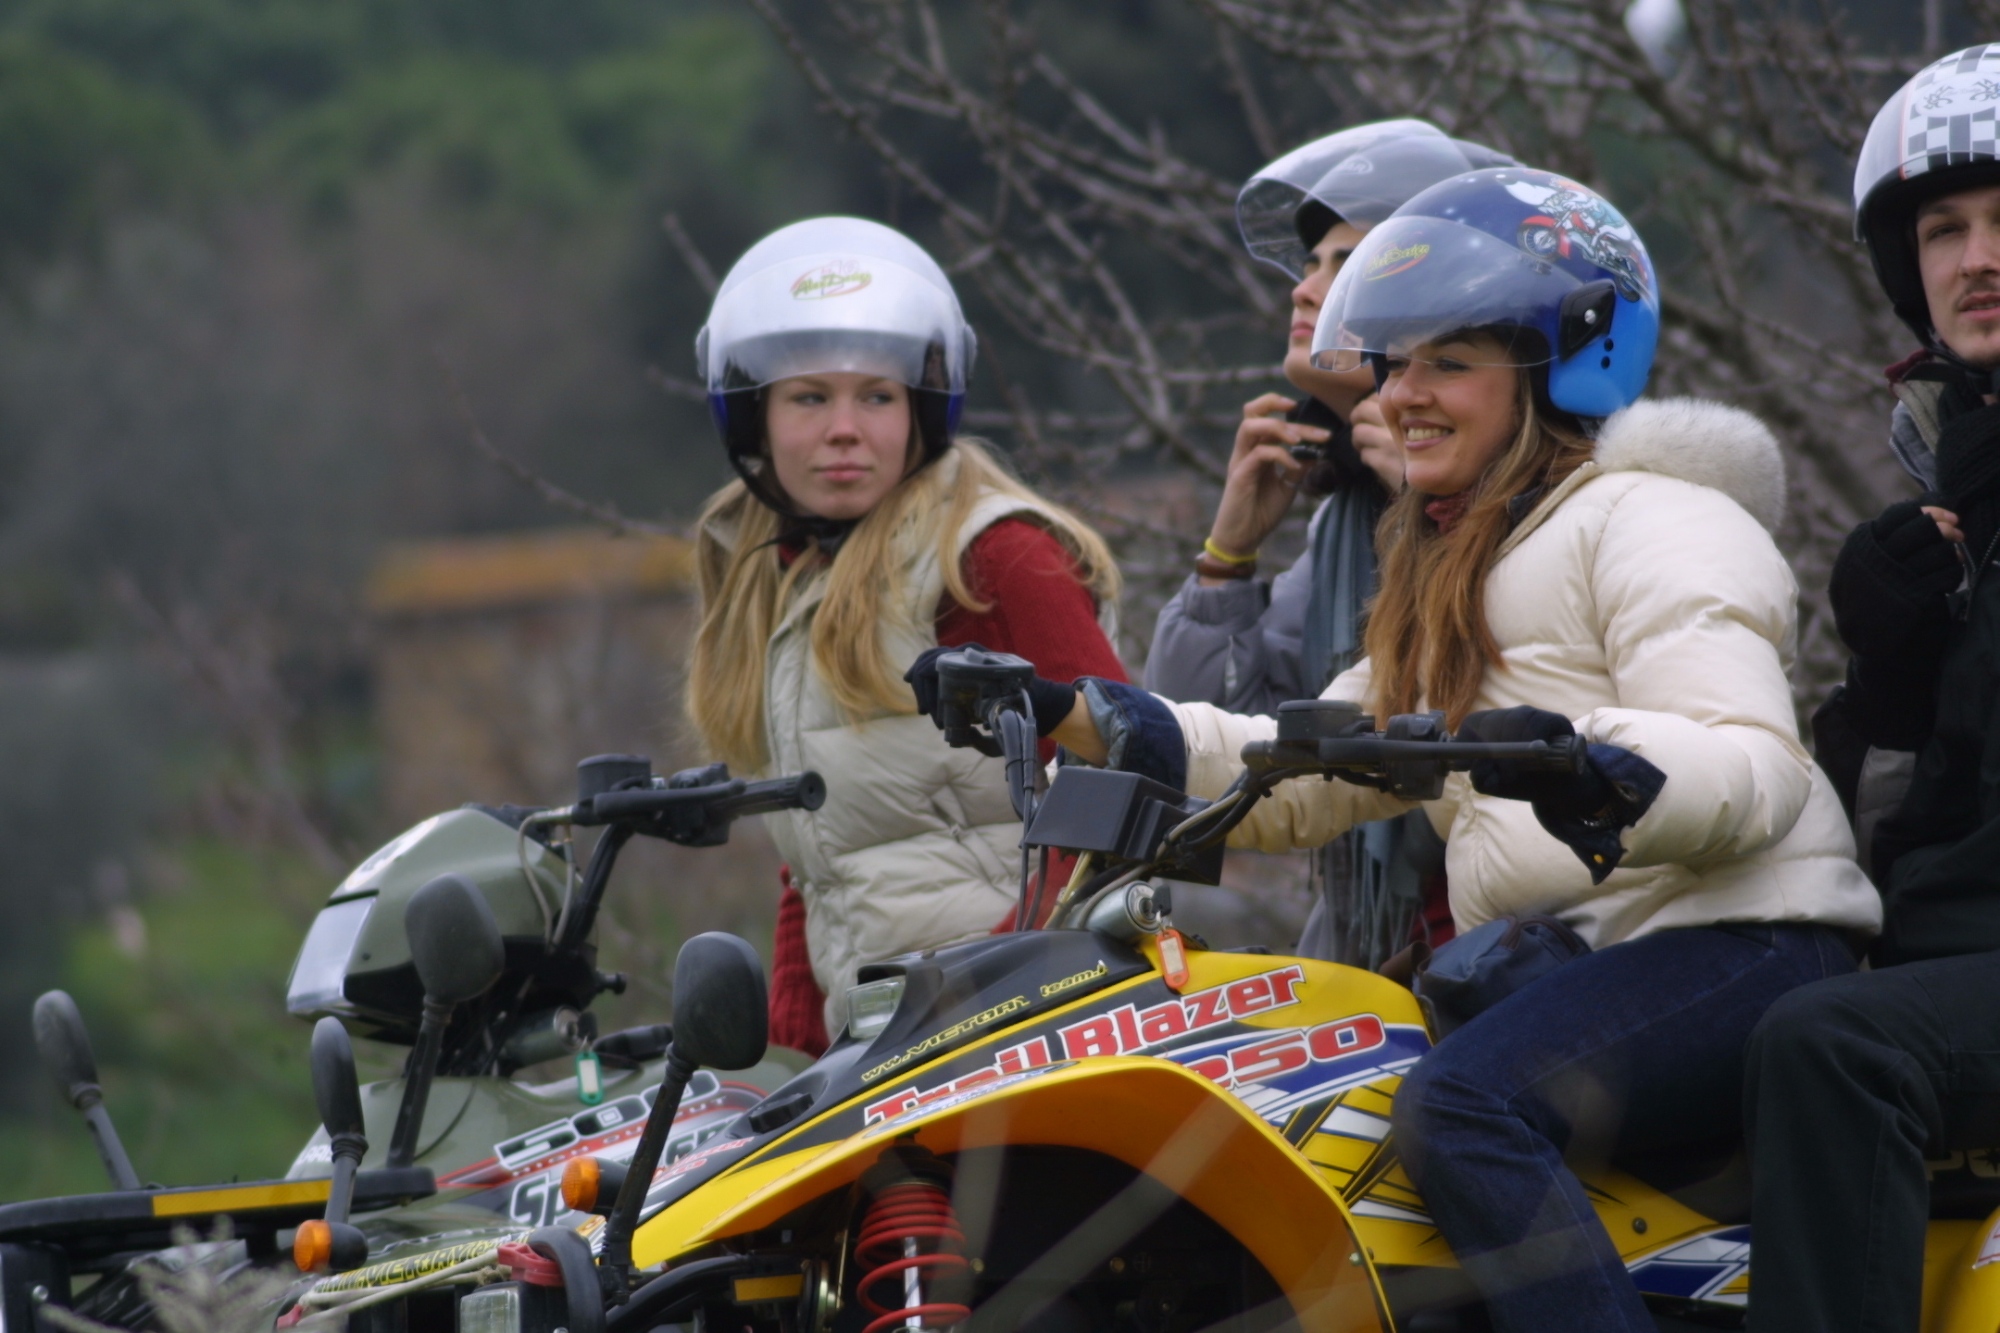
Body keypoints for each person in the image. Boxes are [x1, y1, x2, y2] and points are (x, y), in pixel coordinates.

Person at [914, 167, 1878, 1332]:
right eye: (1394, 363)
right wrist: (1074, 707)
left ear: (1565, 364)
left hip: (1741, 945)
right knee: (1339, 1122)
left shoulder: (1655, 517)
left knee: (1456, 1109)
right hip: (1587, 959)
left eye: (1448, 364)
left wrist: (1592, 761)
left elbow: (1751, 766)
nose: (1403, 393)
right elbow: (1300, 763)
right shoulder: (1446, 570)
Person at [685, 216, 1126, 1052]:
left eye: (878, 396)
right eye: (810, 397)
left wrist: (1009, 968)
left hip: (1010, 1028)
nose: (844, 427)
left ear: (921, 408)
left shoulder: (991, 554)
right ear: (756, 419)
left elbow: (1129, 769)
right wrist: (783, 1062)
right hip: (879, 1042)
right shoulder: (785, 577)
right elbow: (821, 860)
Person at [1744, 45, 2000, 1333]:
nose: (1975, 259)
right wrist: (1884, 669)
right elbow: (1888, 819)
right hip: (1944, 952)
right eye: (1942, 230)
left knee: (1827, 1045)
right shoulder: (1952, 485)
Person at [1149, 120, 1516, 967]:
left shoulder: (1534, 496)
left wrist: (1432, 520)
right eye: (1311, 263)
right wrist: (1228, 555)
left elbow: (1518, 697)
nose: (1305, 289)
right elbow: (1219, 743)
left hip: (1498, 942)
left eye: (1346, 264)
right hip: (1371, 948)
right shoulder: (1341, 521)